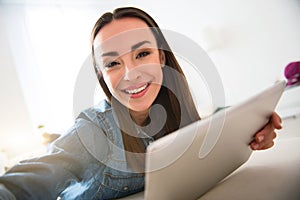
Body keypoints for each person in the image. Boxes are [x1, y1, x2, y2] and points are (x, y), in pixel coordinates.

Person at [0, 7, 282, 200]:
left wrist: (255, 125)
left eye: (142, 54)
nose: (130, 74)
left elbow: (217, 123)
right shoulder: (92, 133)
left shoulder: (180, 113)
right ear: (102, 75)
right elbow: (17, 187)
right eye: (112, 63)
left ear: (161, 57)